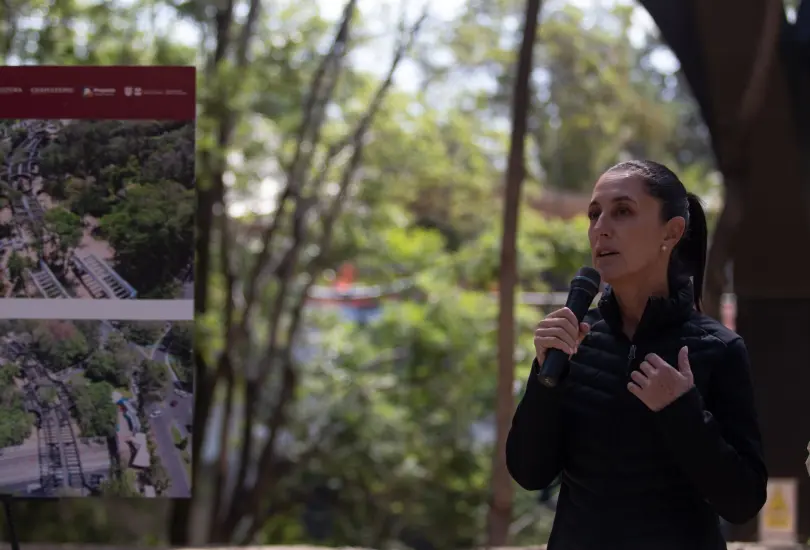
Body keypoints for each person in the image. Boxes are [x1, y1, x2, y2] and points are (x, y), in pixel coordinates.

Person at [506, 160, 767, 550]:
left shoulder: (719, 348)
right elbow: (529, 472)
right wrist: (547, 378)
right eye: (594, 214)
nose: (601, 228)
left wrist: (683, 411)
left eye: (622, 211)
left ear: (672, 232)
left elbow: (743, 500)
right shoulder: (574, 340)